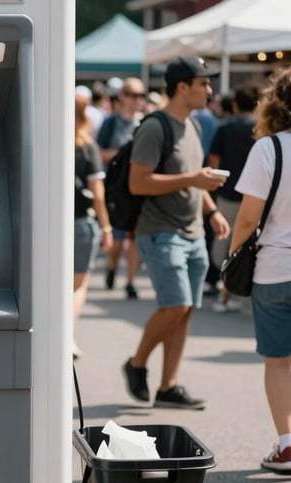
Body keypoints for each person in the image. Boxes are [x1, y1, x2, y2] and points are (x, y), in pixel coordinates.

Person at [122, 57, 230, 410]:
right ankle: (137, 363)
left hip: (194, 232)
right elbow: (138, 183)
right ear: (183, 87)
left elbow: (195, 181)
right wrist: (193, 180)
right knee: (176, 304)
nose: (210, 90)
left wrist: (212, 212)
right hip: (160, 232)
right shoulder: (156, 127)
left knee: (185, 311)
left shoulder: (195, 126)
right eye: (203, 83)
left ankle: (168, 387)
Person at [229, 67, 291, 472]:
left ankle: (288, 445)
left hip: (275, 266)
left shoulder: (269, 149)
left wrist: (233, 255)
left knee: (278, 361)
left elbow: (249, 217)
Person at [208, 83, 260, 313]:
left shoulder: (225, 128)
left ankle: (227, 290)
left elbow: (213, 161)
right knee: (248, 245)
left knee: (224, 245)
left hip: (228, 194)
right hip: (256, 197)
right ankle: (235, 292)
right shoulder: (262, 131)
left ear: (236, 104)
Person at [97, 77, 146, 300]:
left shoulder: (144, 123)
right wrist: (123, 156)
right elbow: (99, 153)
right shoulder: (111, 123)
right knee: (117, 239)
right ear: (123, 96)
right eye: (134, 95)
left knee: (134, 237)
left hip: (136, 187)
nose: (138, 100)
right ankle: (111, 266)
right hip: (115, 186)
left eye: (141, 95)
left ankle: (130, 281)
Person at [73, 92, 113, 359]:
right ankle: (67, 336)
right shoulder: (87, 147)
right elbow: (98, 194)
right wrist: (107, 227)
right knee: (78, 286)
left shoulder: (49, 142)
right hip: (81, 221)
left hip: (52, 224)